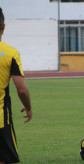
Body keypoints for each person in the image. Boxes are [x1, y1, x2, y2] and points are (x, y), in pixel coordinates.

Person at [0, 7, 33, 164]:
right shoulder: (10, 53)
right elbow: (21, 89)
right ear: (3, 26)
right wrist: (28, 107)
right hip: (1, 120)